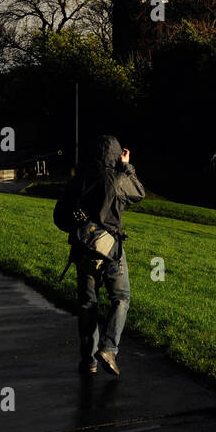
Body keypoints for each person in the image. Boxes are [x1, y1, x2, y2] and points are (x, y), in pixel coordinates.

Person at [57, 134, 145, 377]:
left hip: (84, 251)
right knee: (121, 298)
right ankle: (109, 348)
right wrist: (127, 165)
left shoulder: (79, 180)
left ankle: (89, 361)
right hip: (112, 251)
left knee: (88, 305)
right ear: (116, 155)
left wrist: (80, 228)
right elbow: (140, 193)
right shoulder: (118, 179)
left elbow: (59, 217)